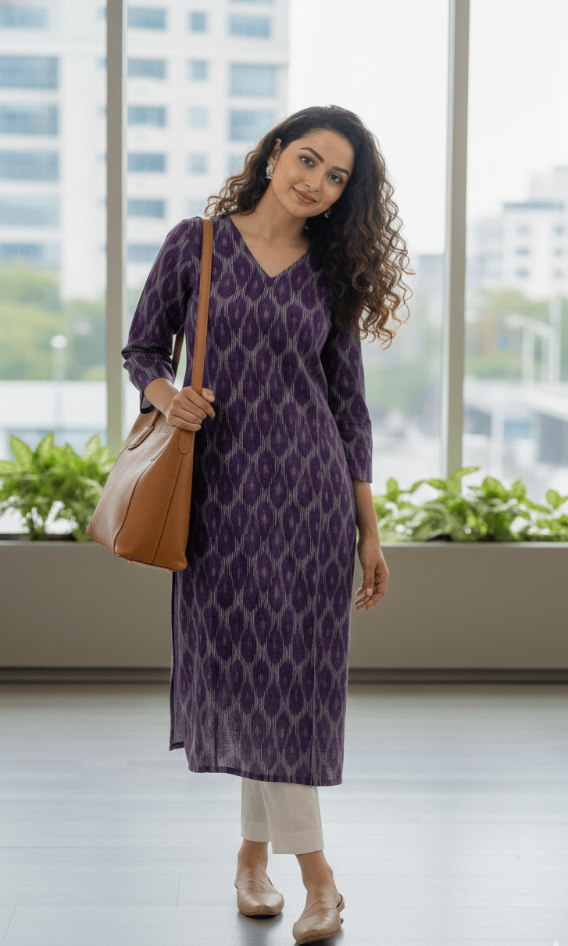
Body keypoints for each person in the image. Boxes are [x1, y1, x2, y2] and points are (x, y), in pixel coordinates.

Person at [121, 104, 412, 944]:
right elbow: (143, 350)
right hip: (219, 495)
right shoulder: (197, 244)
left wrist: (368, 529)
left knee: (294, 684)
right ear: (276, 152)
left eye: (337, 177)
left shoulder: (331, 272)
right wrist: (168, 396)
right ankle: (268, 862)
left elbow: (348, 407)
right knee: (253, 676)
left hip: (311, 498)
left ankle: (305, 875)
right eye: (308, 160)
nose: (316, 182)